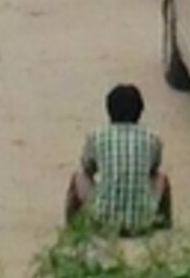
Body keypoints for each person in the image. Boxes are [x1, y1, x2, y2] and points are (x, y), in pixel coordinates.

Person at [65, 82, 170, 235]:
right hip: (141, 223)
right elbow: (153, 170)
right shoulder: (152, 137)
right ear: (140, 111)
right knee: (162, 178)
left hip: (103, 222)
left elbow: (88, 169)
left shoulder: (97, 136)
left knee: (78, 177)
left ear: (109, 110)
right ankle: (163, 224)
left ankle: (73, 228)